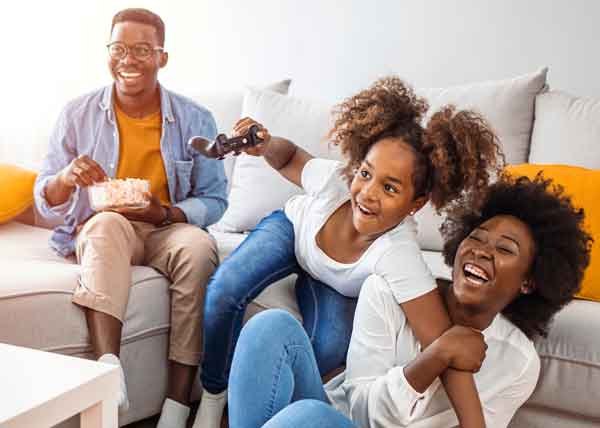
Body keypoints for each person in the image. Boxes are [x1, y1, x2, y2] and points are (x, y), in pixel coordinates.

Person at [194, 77, 503, 428]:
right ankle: (212, 394)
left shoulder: (397, 252)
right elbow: (291, 158)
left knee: (325, 352)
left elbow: (442, 340)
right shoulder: (335, 183)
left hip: (334, 286)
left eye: (389, 187)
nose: (368, 193)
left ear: (415, 204)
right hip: (295, 233)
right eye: (365, 174)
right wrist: (265, 145)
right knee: (226, 287)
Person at [228, 173, 592, 428]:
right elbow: (360, 412)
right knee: (270, 328)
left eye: (504, 250)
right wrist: (435, 358)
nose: (482, 252)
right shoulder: (387, 292)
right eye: (477, 238)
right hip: (337, 417)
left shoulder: (517, 362)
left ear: (529, 280)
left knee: (307, 418)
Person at [33, 8, 227, 428]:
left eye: (142, 49)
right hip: (109, 226)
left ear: (162, 57)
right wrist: (66, 179)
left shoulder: (196, 119)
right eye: (118, 48)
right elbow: (44, 198)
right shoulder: (76, 113)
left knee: (198, 247)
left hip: (166, 227)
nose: (128, 59)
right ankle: (109, 371)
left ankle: (177, 406)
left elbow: (215, 199)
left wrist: (166, 212)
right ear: (108, 52)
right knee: (104, 225)